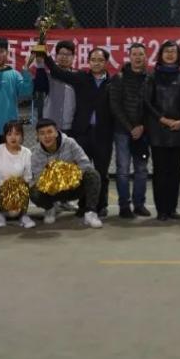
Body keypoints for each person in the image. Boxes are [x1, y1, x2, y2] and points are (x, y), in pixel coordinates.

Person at [37, 47, 115, 217]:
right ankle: (84, 205)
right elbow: (57, 72)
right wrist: (45, 56)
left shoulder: (113, 83)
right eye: (93, 60)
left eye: (100, 60)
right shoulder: (81, 78)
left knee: (102, 172)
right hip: (82, 133)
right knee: (82, 171)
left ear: (106, 63)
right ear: (88, 61)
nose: (96, 63)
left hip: (104, 134)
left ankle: (101, 206)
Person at [143, 41, 180, 221]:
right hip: (158, 131)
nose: (170, 54)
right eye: (167, 51)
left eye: (173, 51)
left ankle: (172, 209)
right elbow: (147, 102)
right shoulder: (152, 76)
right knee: (160, 172)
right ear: (161, 54)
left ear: (179, 55)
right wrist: (162, 119)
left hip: (179, 130)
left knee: (174, 172)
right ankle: (162, 210)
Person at [28, 119, 103, 228]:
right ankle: (50, 208)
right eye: (42, 133)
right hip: (52, 191)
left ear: (56, 132)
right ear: (38, 136)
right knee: (32, 190)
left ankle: (90, 213)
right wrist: (53, 179)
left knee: (93, 174)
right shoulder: (35, 153)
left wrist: (68, 175)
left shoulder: (70, 143)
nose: (46, 136)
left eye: (49, 132)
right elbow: (37, 179)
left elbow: (85, 164)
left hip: (73, 187)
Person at [108, 43, 150, 218]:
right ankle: (124, 206)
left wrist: (142, 126)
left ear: (145, 57)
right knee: (123, 170)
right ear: (129, 56)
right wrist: (130, 127)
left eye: (141, 54)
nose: (138, 57)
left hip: (143, 132)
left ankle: (139, 204)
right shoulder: (119, 78)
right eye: (134, 54)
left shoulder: (150, 78)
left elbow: (152, 105)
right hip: (122, 131)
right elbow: (115, 105)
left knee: (141, 170)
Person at [0, 120, 35, 229]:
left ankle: (23, 215)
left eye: (17, 134)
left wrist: (15, 185)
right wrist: (5, 185)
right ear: (5, 136)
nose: (13, 137)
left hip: (19, 189)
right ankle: (1, 213)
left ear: (22, 136)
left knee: (26, 186)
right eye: (9, 134)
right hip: (0, 189)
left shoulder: (27, 153)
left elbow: (28, 176)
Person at [37, 40, 78, 135]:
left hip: (71, 125)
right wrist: (40, 64)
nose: (64, 57)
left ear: (73, 57)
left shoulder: (78, 76)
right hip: (50, 125)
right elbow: (39, 87)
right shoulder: (48, 76)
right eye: (61, 54)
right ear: (56, 56)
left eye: (68, 54)